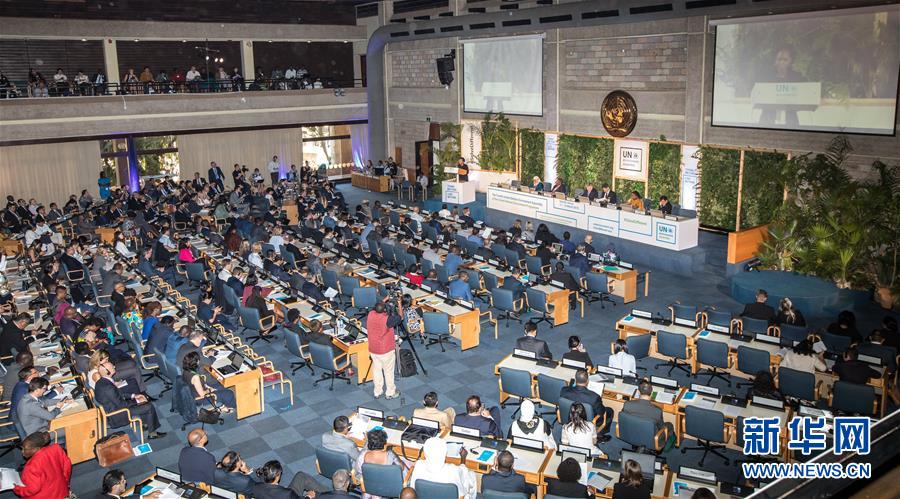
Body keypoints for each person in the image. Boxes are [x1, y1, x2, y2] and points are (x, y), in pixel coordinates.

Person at [93, 360, 166, 439]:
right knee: (148, 406)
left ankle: (146, 424)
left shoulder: (102, 381)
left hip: (114, 407)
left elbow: (117, 395)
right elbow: (121, 405)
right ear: (108, 372)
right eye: (112, 367)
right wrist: (137, 401)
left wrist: (134, 396)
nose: (114, 366)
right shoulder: (108, 387)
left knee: (142, 402)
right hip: (117, 414)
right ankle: (152, 434)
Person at [409, 437, 477, 498]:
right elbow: (464, 474)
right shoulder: (452, 470)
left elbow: (413, 487)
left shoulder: (419, 465)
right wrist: (463, 458)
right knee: (471, 474)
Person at [13, 431, 72, 499]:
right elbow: (67, 467)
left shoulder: (31, 467)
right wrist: (64, 482)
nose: (22, 451)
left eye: (25, 449)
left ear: (37, 449)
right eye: (22, 448)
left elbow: (31, 489)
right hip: (62, 492)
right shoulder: (56, 449)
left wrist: (17, 488)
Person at [560, 369, 612, 442]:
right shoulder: (594, 397)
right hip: (587, 421)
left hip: (569, 417)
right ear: (587, 381)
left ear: (575, 379)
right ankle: (598, 435)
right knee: (609, 411)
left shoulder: (564, 390)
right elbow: (601, 412)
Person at [354, 429, 405, 498]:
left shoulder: (363, 455)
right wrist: (394, 454)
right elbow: (401, 468)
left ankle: (370, 494)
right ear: (384, 443)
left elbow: (358, 472)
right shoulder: (390, 454)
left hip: (369, 485)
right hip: (386, 485)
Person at [366, 301, 402, 399]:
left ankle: (377, 391)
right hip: (385, 350)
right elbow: (400, 317)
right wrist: (399, 304)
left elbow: (377, 306)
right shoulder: (387, 319)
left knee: (376, 369)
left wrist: (385, 299)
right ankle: (390, 392)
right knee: (388, 371)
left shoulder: (370, 314)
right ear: (385, 310)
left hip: (373, 348)